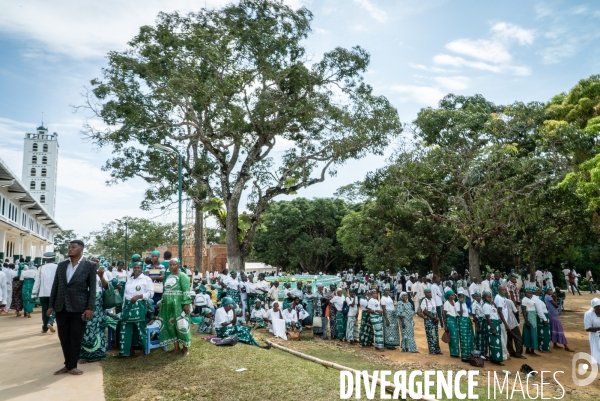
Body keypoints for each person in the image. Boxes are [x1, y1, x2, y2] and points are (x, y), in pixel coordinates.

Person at [47, 240, 97, 375]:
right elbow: (55, 286)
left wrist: (90, 308)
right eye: (69, 247)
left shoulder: (90, 266)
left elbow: (92, 289)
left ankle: (72, 365)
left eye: (73, 247)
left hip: (79, 307)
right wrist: (51, 305)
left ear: (81, 249)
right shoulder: (62, 265)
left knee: (75, 337)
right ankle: (67, 364)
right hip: (61, 306)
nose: (70, 249)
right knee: (63, 338)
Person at [158, 258, 192, 357]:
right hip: (168, 304)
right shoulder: (168, 277)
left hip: (179, 304)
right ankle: (176, 348)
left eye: (174, 264)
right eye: (170, 265)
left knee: (182, 324)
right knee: (171, 324)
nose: (172, 266)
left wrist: (186, 304)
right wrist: (163, 300)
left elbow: (186, 291)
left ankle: (185, 349)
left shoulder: (183, 276)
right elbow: (166, 290)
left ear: (178, 265)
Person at [120, 262, 153, 358]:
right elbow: (125, 294)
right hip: (128, 307)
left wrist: (139, 296)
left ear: (142, 269)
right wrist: (123, 307)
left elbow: (151, 293)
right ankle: (128, 351)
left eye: (139, 267)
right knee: (128, 328)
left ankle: (143, 351)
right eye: (135, 267)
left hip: (139, 306)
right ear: (132, 269)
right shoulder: (129, 280)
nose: (136, 269)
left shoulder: (146, 279)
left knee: (140, 328)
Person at [79, 261, 110, 364]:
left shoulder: (101, 273)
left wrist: (101, 277)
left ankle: (99, 353)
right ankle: (84, 355)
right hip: (87, 302)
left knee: (98, 327)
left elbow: (106, 287)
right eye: (93, 261)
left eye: (97, 261)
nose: (95, 263)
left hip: (99, 305)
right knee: (86, 327)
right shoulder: (83, 272)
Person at [32, 252, 58, 333]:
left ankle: (44, 327)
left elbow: (37, 282)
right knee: (55, 309)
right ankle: (50, 322)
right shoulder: (58, 267)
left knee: (45, 310)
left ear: (46, 259)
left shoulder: (41, 268)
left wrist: (34, 293)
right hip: (55, 293)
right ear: (54, 258)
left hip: (43, 293)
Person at [544, 287, 574, 352]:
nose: (551, 291)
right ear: (547, 291)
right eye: (550, 290)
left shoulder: (546, 297)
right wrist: (555, 298)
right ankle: (565, 346)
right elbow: (556, 305)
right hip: (554, 315)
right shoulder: (549, 297)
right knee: (559, 329)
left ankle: (555, 344)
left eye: (551, 290)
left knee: (553, 329)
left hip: (551, 314)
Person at [482, 291, 504, 365]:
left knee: (497, 342)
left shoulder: (491, 305)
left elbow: (495, 313)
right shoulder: (486, 306)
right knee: (494, 343)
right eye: (488, 297)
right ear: (484, 298)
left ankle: (496, 358)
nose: (489, 298)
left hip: (496, 324)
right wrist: (492, 328)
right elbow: (488, 318)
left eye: (490, 297)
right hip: (492, 325)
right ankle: (495, 359)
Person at [456, 289, 474, 363]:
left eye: (463, 297)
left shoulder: (464, 304)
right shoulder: (457, 304)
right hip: (462, 322)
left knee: (469, 338)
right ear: (458, 297)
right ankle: (464, 356)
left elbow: (467, 313)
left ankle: (470, 355)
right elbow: (460, 313)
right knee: (464, 339)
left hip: (467, 321)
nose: (462, 298)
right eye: (460, 297)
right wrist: (460, 303)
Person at [521, 288, 540, 357]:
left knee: (529, 334)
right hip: (529, 318)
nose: (530, 294)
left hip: (533, 317)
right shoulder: (524, 299)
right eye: (528, 293)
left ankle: (527, 349)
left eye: (531, 293)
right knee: (532, 334)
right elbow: (524, 311)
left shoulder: (531, 299)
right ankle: (532, 351)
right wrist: (526, 321)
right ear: (525, 293)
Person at [471, 292, 488, 358]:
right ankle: (480, 354)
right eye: (477, 296)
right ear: (475, 297)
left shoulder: (481, 303)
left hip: (483, 321)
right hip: (478, 321)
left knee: (484, 338)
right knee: (479, 339)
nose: (479, 297)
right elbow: (474, 316)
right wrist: (477, 327)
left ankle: (484, 353)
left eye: (480, 296)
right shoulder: (474, 304)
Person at [533, 287, 550, 353]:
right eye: (539, 291)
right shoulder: (536, 300)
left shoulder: (536, 298)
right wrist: (545, 319)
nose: (540, 292)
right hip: (542, 317)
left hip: (541, 317)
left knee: (541, 333)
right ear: (536, 292)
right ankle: (544, 348)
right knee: (544, 334)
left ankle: (541, 347)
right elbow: (540, 311)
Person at [584, 298, 600, 367]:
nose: (599, 308)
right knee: (597, 351)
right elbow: (587, 328)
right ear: (594, 307)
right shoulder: (588, 314)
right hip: (595, 335)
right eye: (597, 307)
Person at [443, 290, 459, 358]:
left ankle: (456, 352)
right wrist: (445, 326)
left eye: (454, 295)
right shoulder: (446, 303)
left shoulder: (454, 302)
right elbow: (444, 315)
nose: (454, 296)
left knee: (456, 336)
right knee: (453, 336)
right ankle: (453, 353)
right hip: (450, 321)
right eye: (452, 295)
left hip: (454, 320)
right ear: (448, 296)